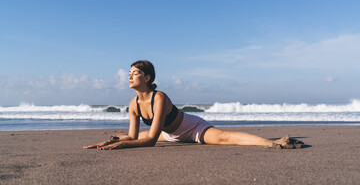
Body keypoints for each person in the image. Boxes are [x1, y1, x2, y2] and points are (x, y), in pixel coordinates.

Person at [84, 60, 300, 150]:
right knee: (127, 136)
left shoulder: (159, 97)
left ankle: (272, 143)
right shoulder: (133, 104)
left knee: (225, 138)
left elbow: (150, 141)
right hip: (167, 134)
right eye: (128, 74)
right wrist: (109, 142)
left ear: (147, 77)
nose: (129, 77)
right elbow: (132, 136)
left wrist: (122, 145)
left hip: (191, 129)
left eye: (135, 73)